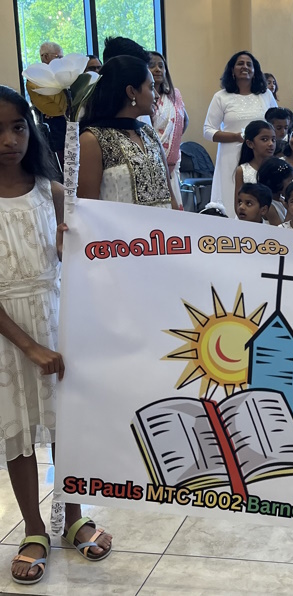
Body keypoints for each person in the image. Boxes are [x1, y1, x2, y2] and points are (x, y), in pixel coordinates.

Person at [0, 85, 113, 585]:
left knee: (66, 425)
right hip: (9, 335)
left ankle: (73, 517)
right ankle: (33, 528)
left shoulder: (51, 191)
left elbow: (86, 251)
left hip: (55, 317)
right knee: (20, 433)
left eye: (17, 127)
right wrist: (28, 345)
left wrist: (73, 244)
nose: (9, 140)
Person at [78, 56, 176, 208]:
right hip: (116, 224)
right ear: (131, 92)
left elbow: (170, 197)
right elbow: (87, 208)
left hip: (163, 223)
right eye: (151, 87)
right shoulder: (92, 139)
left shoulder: (149, 133)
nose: (156, 95)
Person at [204, 51, 277, 218]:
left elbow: (275, 123)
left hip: (259, 157)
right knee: (232, 197)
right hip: (230, 157)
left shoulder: (265, 95)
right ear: (232, 69)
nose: (245, 67)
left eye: (249, 64)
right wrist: (237, 137)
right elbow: (208, 131)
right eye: (240, 63)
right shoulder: (221, 97)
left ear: (255, 70)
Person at [149, 51, 188, 209]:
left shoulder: (174, 95)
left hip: (172, 164)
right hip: (151, 162)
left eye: (161, 66)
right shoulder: (144, 98)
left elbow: (183, 121)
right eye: (152, 65)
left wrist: (171, 140)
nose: (157, 69)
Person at [26, 43, 66, 170]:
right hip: (53, 126)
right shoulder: (35, 77)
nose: (62, 61)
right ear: (46, 57)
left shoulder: (61, 74)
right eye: (59, 57)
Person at [234, 120, 276, 212]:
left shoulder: (279, 167)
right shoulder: (242, 170)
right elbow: (238, 204)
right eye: (264, 139)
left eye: (273, 139)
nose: (271, 144)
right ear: (250, 143)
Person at [257, 157, 293, 226]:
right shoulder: (269, 207)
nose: (292, 184)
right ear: (278, 182)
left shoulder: (282, 200)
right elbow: (281, 230)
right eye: (290, 181)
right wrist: (290, 210)